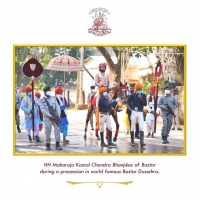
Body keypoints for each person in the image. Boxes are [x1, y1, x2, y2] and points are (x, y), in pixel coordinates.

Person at [39, 86, 62, 150]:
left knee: (57, 130)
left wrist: (59, 115)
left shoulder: (53, 98)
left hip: (55, 117)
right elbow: (42, 109)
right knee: (48, 131)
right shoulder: (41, 100)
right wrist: (49, 115)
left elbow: (57, 107)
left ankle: (57, 144)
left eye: (49, 90)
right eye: (47, 91)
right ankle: (48, 145)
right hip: (47, 118)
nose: (49, 92)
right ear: (44, 92)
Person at [94, 62, 111, 139]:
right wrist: (101, 84)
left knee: (111, 98)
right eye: (102, 67)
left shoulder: (107, 74)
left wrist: (109, 87)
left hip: (107, 90)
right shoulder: (97, 74)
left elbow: (109, 82)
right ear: (99, 68)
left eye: (104, 67)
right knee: (98, 99)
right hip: (100, 90)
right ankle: (97, 109)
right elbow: (95, 83)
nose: (103, 68)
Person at [128, 83, 147, 147]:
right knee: (132, 126)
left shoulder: (144, 95)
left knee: (141, 127)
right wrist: (130, 109)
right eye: (138, 89)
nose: (139, 90)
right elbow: (127, 101)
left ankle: (142, 141)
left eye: (140, 89)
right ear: (136, 89)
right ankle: (132, 141)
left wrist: (141, 98)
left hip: (140, 112)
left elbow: (145, 104)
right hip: (134, 112)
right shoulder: (133, 95)